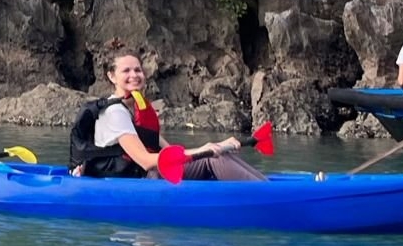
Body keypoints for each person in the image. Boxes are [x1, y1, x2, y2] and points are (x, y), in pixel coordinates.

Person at [70, 52, 266, 181]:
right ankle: (268, 196)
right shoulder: (115, 112)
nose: (134, 75)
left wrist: (217, 146)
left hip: (149, 174)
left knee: (221, 155)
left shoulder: (138, 106)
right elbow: (146, 161)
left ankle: (266, 188)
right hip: (139, 179)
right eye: (126, 70)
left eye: (137, 69)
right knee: (214, 161)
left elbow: (171, 151)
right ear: (112, 76)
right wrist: (205, 151)